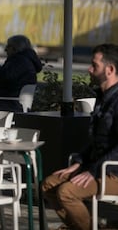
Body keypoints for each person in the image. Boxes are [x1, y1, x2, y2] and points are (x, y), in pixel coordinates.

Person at [41, 43, 118, 230]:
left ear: (110, 70)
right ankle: (84, 226)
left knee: (66, 192)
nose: (90, 70)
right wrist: (80, 161)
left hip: (113, 172)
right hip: (98, 167)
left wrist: (92, 170)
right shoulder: (102, 98)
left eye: (95, 65)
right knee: (48, 185)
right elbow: (97, 141)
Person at [0, 34, 42, 111]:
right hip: (13, 101)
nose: (5, 49)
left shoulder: (19, 61)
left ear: (16, 48)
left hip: (7, 103)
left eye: (8, 46)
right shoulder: (26, 61)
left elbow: (5, 77)